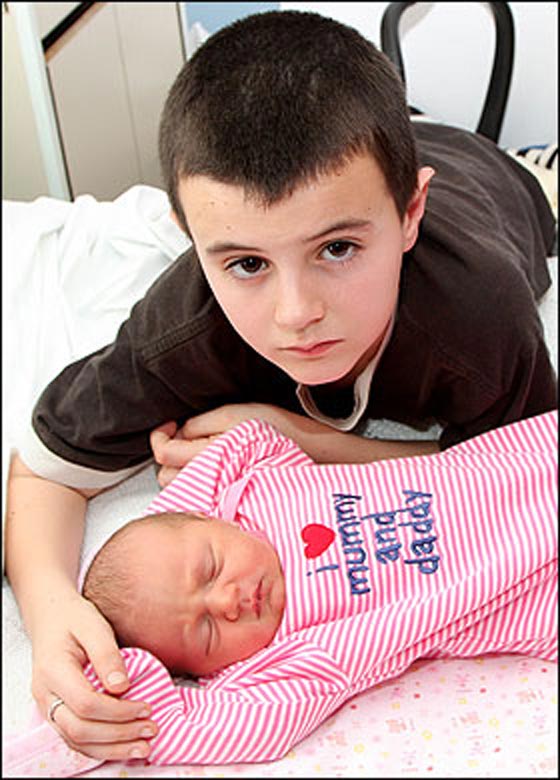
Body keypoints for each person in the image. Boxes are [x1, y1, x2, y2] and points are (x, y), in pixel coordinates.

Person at [4, 8, 557, 764]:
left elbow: (511, 472)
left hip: (495, 186)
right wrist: (50, 615)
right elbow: (44, 471)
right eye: (245, 264)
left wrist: (301, 438)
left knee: (509, 175)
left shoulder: (479, 317)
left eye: (338, 249)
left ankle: (462, 152)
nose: (296, 315)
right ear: (189, 239)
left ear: (409, 215)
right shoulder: (184, 330)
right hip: (392, 172)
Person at [4, 412, 557, 776]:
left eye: (210, 569)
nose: (225, 602)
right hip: (531, 588)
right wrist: (123, 686)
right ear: (205, 670)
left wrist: (178, 516)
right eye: (205, 632)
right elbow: (242, 725)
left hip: (520, 464)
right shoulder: (284, 660)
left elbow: (247, 440)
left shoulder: (255, 494)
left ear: (211, 518)